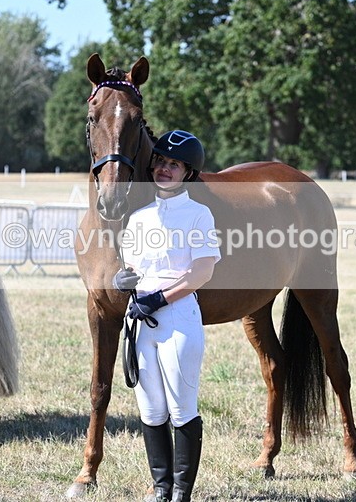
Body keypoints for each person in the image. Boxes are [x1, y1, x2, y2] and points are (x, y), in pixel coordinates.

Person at [112, 130, 221, 502]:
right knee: (151, 408)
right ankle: (161, 489)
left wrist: (159, 298)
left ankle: (181, 495)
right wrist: (121, 278)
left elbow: (202, 272)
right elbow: (131, 266)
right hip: (141, 320)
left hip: (178, 318)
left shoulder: (199, 215)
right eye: (160, 161)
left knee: (180, 408)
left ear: (188, 173)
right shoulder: (139, 217)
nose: (164, 169)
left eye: (173, 164)